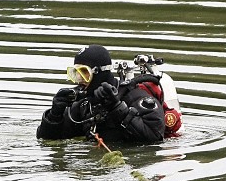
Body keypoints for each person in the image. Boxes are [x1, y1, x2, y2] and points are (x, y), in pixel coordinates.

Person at [37, 44, 180, 144]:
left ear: (99, 72)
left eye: (84, 73)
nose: (79, 80)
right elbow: (47, 140)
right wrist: (54, 115)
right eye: (75, 74)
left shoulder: (136, 97)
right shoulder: (84, 106)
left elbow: (155, 139)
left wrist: (116, 107)